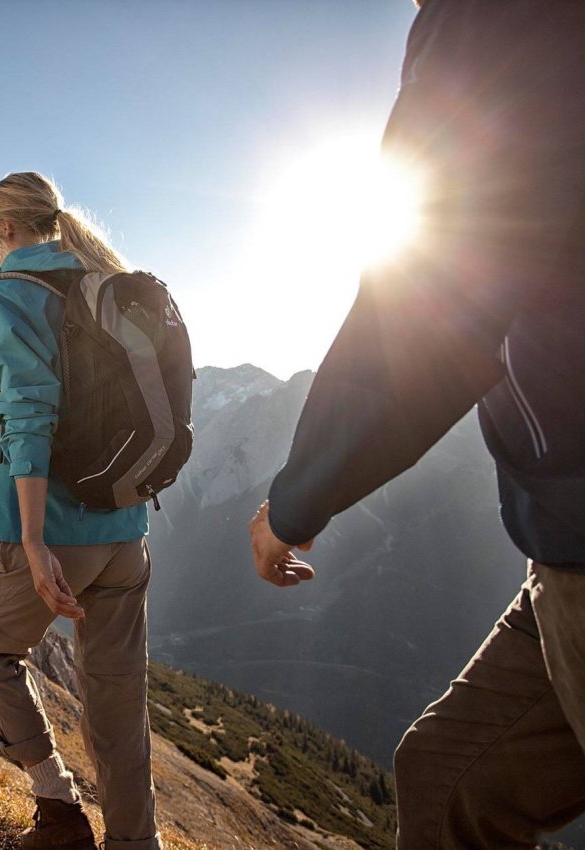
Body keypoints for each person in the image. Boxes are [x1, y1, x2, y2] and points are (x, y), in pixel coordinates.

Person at [247, 2, 585, 847]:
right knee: (442, 777)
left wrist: (290, 506)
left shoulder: (498, 20)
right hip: (564, 543)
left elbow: (428, 311)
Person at [0, 171, 161, 850]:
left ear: (8, 230)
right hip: (127, 529)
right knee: (118, 708)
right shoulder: (105, 281)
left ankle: (59, 812)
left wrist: (32, 537)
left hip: (57, 531)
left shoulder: (12, 289)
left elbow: (28, 415)